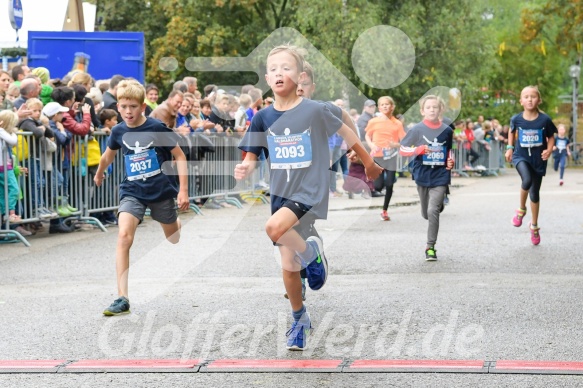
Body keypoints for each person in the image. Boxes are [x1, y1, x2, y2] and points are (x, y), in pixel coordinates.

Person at [234, 45, 382, 351]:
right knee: (288, 263)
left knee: (273, 229)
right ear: (266, 77)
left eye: (286, 68)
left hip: (309, 190)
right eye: (273, 69)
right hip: (281, 193)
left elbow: (346, 131)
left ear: (300, 75)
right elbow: (252, 154)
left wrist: (367, 162)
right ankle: (299, 319)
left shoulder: (314, 110)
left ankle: (313, 254)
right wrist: (245, 165)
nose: (279, 73)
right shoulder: (262, 117)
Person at [94, 80, 189, 316]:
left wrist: (183, 191)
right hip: (132, 190)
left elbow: (180, 156)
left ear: (143, 106)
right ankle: (121, 297)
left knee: (173, 238)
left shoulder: (157, 128)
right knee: (124, 235)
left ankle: (174, 222)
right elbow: (108, 156)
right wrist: (99, 172)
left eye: (133, 106)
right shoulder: (118, 131)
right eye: (124, 106)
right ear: (118, 106)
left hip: (160, 191)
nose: (128, 111)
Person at [399, 95, 454, 261]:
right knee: (426, 213)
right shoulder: (416, 129)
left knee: (432, 210)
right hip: (422, 174)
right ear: (422, 111)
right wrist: (418, 150)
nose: (432, 110)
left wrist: (451, 161)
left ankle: (430, 247)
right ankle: (436, 207)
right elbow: (403, 149)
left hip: (441, 175)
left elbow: (449, 150)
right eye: (428, 107)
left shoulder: (447, 130)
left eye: (435, 107)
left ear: (440, 110)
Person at [505, 85, 556, 246]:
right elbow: (511, 132)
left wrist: (548, 150)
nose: (529, 99)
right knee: (526, 180)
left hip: (538, 159)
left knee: (534, 193)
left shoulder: (545, 119)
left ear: (538, 100)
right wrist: (509, 148)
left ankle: (534, 226)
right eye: (526, 97)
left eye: (533, 96)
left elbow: (551, 136)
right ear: (521, 101)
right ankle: (521, 210)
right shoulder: (516, 119)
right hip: (521, 156)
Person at [365, 96, 406, 221]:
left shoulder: (397, 123)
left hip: (391, 157)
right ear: (379, 107)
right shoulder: (373, 121)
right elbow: (367, 135)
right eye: (382, 104)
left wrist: (396, 145)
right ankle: (372, 182)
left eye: (387, 104)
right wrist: (371, 145)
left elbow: (403, 141)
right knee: (378, 186)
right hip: (378, 157)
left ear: (392, 107)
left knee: (389, 184)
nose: (385, 106)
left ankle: (384, 210)